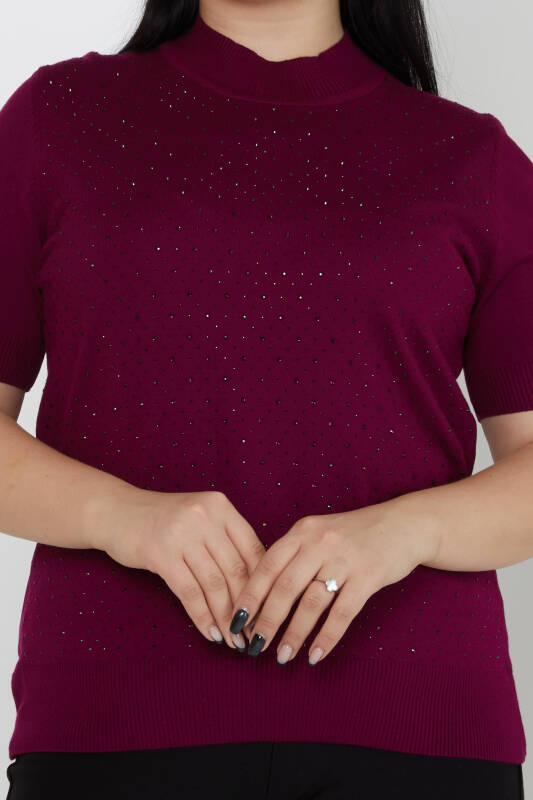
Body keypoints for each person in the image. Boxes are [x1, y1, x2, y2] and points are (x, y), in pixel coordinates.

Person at [0, 0, 531, 797]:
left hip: (420, 729)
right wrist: (120, 517)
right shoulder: (57, 121)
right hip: (111, 720)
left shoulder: (472, 157)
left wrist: (406, 530)